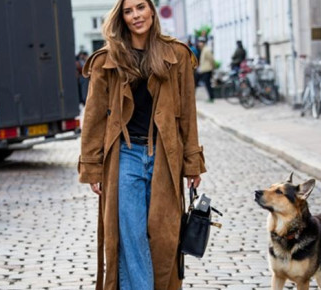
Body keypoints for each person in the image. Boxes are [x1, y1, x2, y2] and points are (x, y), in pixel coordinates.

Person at [78, 0, 206, 289]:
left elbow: (187, 113)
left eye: (140, 7)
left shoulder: (176, 55)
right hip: (125, 156)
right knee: (131, 237)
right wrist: (92, 167)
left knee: (164, 237)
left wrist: (192, 162)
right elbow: (94, 116)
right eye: (128, 10)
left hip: (165, 157)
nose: (136, 15)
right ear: (121, 17)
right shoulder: (107, 60)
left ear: (151, 10)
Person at [197, 37, 215, 102]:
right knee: (207, 84)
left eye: (200, 42)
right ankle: (211, 97)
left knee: (208, 84)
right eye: (199, 42)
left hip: (207, 69)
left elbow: (211, 59)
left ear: (203, 43)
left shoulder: (206, 50)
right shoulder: (203, 50)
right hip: (204, 70)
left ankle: (211, 98)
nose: (199, 44)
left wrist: (213, 67)